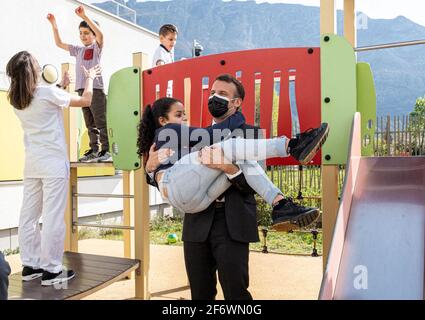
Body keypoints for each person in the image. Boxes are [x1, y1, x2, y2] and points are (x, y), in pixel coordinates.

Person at [145, 74, 326, 299]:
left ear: (236, 102)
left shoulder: (251, 135)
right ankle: (285, 184)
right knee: (200, 295)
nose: (214, 97)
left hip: (231, 222)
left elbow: (253, 184)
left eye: (222, 94)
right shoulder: (190, 135)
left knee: (236, 295)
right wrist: (150, 169)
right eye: (212, 92)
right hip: (197, 221)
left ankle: (282, 198)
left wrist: (227, 167)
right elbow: (171, 175)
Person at [138, 97, 328, 228]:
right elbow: (211, 135)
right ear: (163, 120)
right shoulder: (168, 130)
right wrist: (236, 114)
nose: (185, 118)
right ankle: (292, 145)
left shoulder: (172, 141)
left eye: (184, 113)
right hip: (178, 187)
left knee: (242, 157)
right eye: (179, 114)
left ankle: (280, 205)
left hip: (192, 202)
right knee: (230, 145)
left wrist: (150, 171)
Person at [6, 51, 100, 286]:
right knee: (52, 217)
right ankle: (51, 270)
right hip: (54, 164)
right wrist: (89, 78)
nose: (39, 66)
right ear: (32, 71)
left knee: (28, 216)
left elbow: (42, 101)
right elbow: (86, 101)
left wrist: (61, 85)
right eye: (37, 64)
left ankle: (30, 265)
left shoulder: (17, 99)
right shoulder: (47, 93)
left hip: (32, 164)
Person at [47, 6, 111, 162]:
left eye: (87, 33)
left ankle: (107, 150)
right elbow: (59, 43)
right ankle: (94, 150)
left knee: (100, 120)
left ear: (93, 35)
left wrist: (85, 16)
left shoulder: (96, 48)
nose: (83, 36)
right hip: (82, 89)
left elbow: (101, 35)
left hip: (95, 88)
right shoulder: (78, 50)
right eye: (81, 33)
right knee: (89, 122)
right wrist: (54, 26)